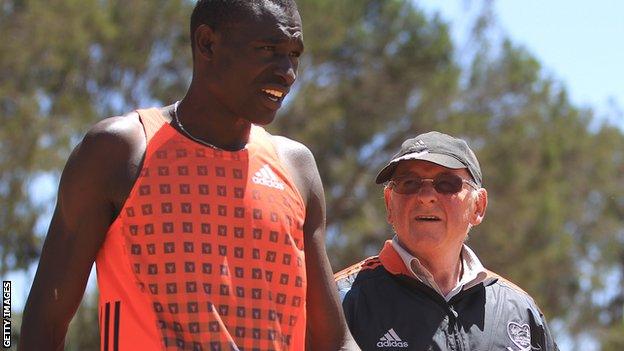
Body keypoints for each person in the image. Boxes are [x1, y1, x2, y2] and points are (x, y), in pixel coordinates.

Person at [20, 1, 356, 350]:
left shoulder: (295, 167)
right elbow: (44, 322)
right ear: (207, 43)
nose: (287, 71)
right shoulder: (120, 151)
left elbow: (335, 341)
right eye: (267, 49)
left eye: (294, 54)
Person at [335, 131, 559, 351]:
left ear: (478, 207)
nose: (425, 196)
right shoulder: (340, 298)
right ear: (389, 204)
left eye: (446, 183)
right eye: (408, 183)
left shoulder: (519, 310)